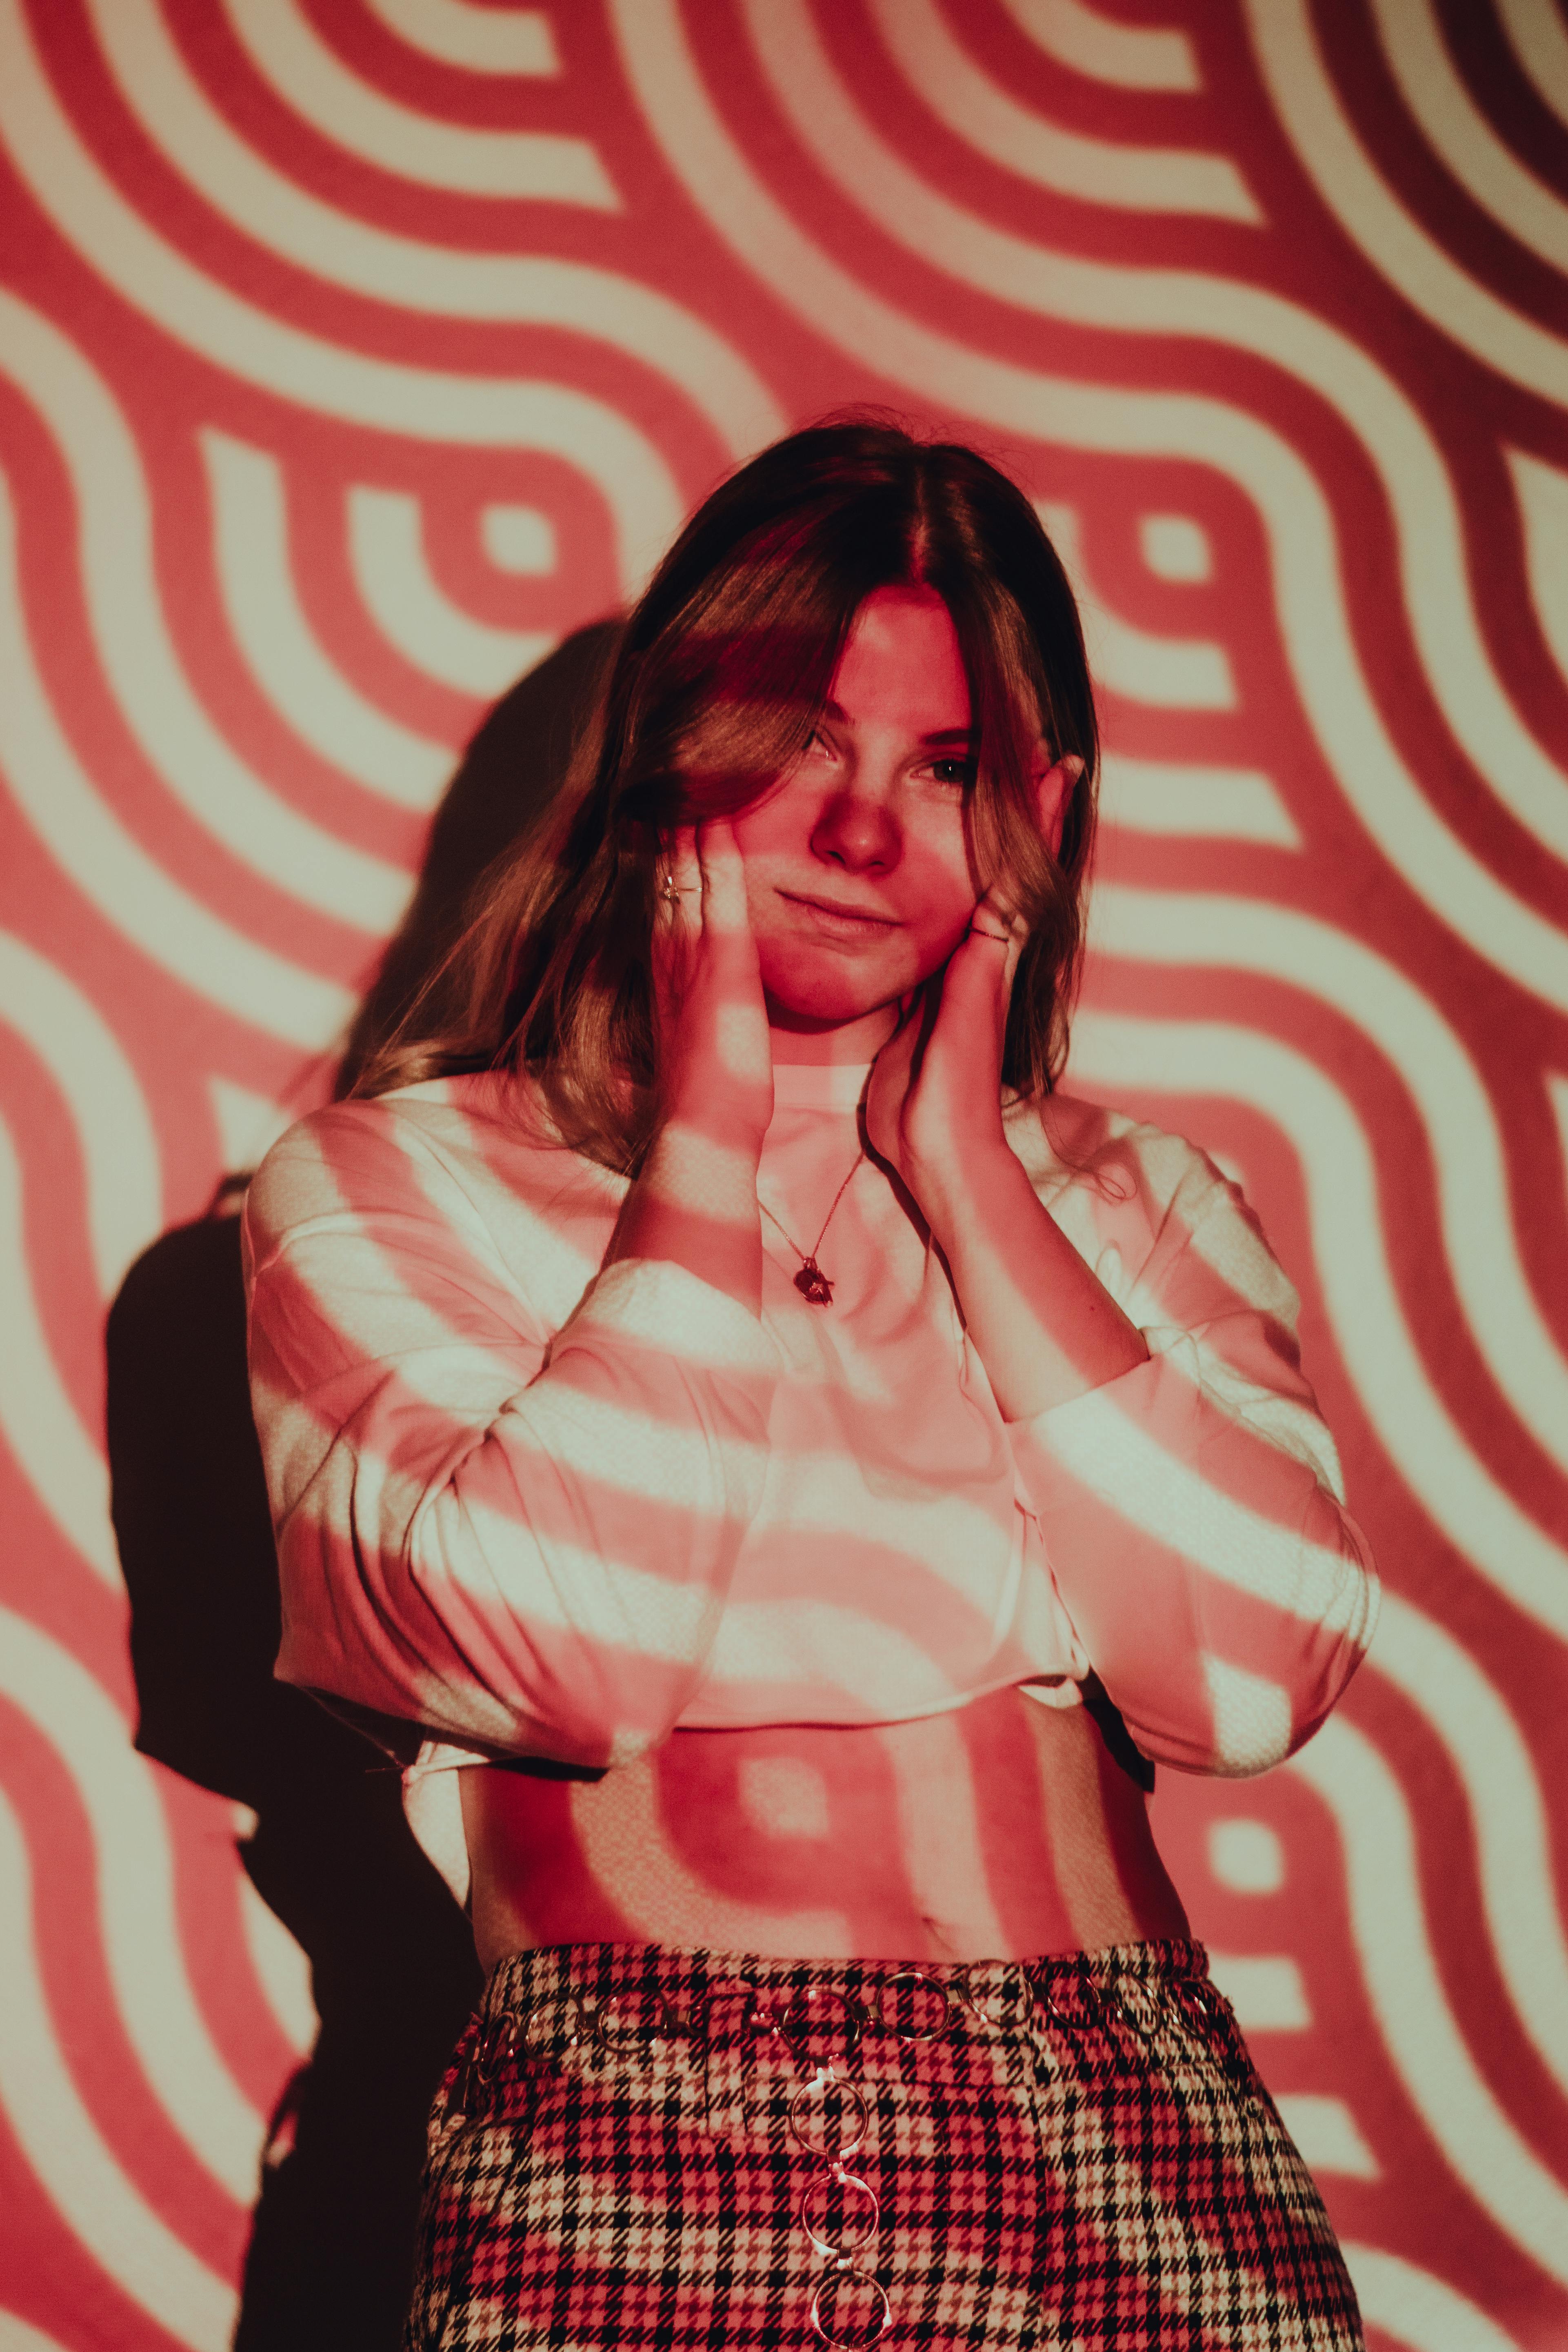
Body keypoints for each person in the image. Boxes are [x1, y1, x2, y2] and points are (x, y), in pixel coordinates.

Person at [243, 420, 1377, 2350]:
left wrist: (970, 1167)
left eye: (942, 771)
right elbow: (559, 1653)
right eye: (798, 741)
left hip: (1141, 2140)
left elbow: (1255, 1682)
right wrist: (701, 1142)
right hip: (640, 2139)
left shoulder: (1137, 1201)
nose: (861, 835)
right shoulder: (391, 1182)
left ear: (1042, 805)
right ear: (665, 751)